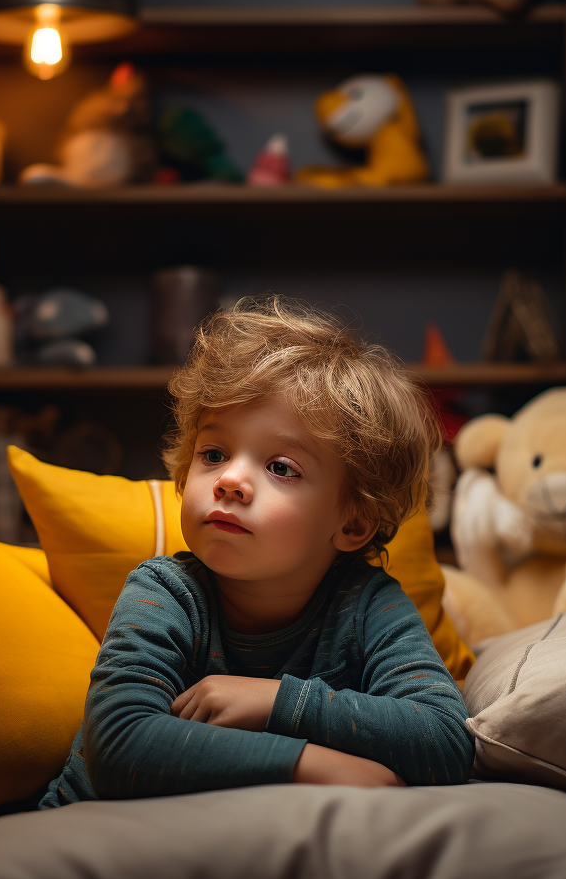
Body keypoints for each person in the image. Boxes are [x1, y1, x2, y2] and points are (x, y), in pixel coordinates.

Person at [40, 296, 473, 807]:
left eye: (281, 467)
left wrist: (273, 701)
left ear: (354, 521)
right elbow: (117, 746)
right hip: (91, 838)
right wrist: (313, 764)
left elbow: (445, 739)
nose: (229, 480)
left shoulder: (367, 604)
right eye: (214, 453)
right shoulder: (166, 592)